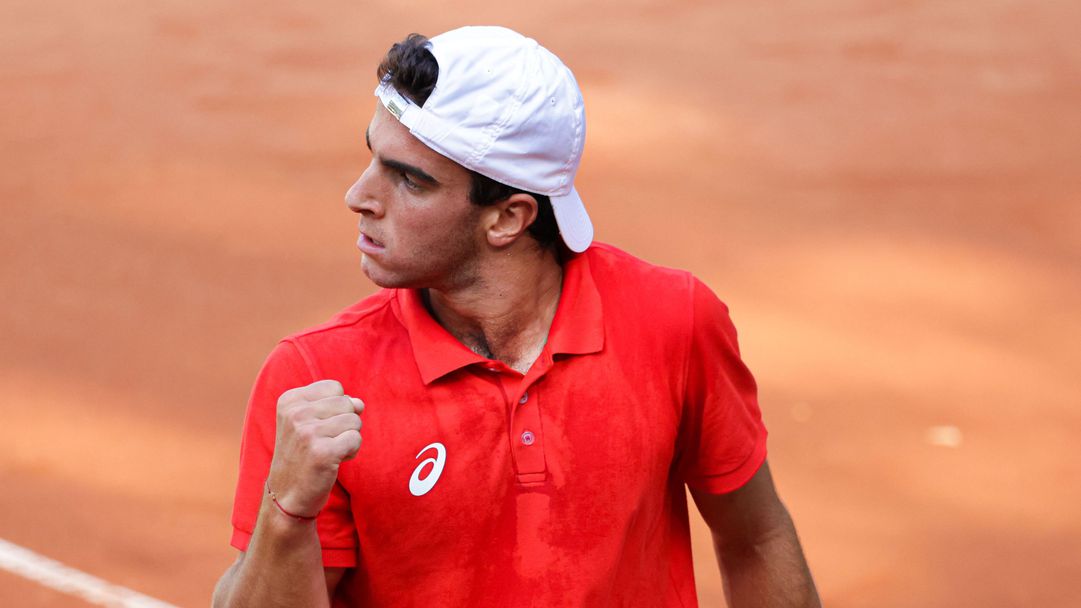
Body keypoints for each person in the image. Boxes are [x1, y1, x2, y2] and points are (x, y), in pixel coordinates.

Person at [212, 25, 820, 608]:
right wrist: (285, 513)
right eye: (374, 158)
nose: (359, 197)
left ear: (508, 217)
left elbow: (756, 538)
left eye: (410, 181)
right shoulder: (315, 378)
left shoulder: (674, 322)